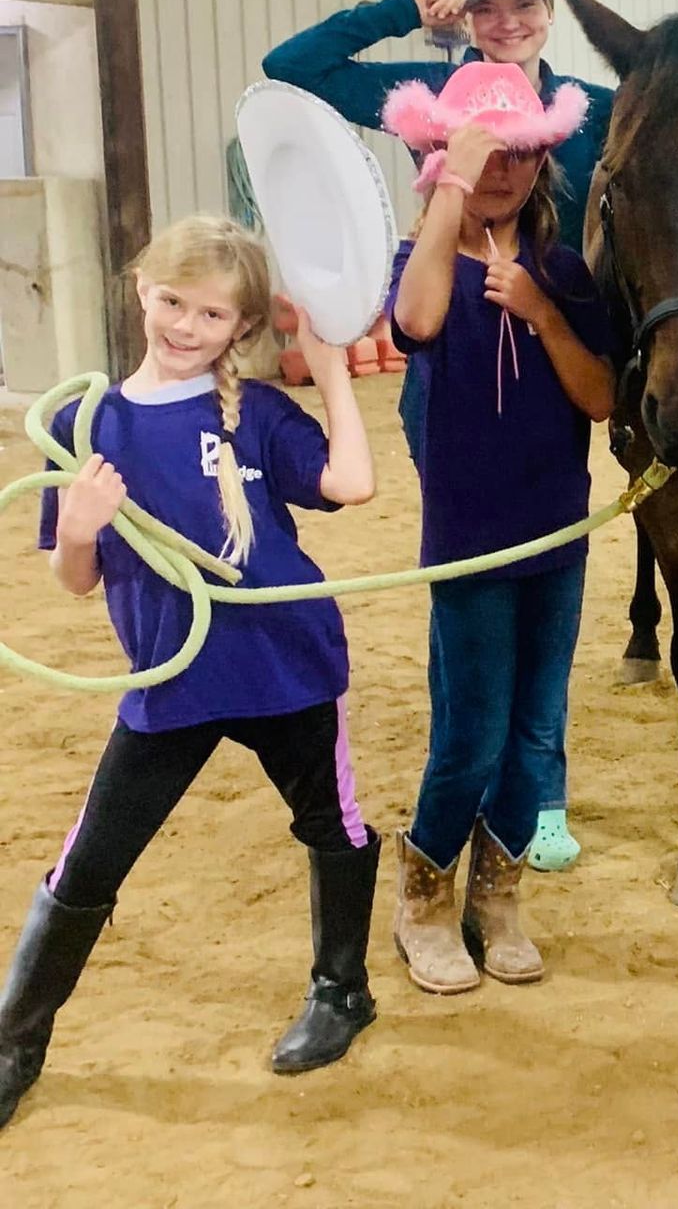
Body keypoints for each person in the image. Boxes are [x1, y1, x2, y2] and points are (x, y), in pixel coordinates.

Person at [0, 215, 380, 1131]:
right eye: (173, 301)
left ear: (240, 329)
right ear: (142, 290)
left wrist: (327, 366)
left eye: (213, 315)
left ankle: (342, 990)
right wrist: (84, 524)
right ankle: (15, 1042)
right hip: (171, 683)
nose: (185, 325)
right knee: (89, 860)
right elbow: (76, 579)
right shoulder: (84, 422)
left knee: (333, 822)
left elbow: (350, 484)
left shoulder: (251, 414)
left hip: (286, 660)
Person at [264, 0, 613, 871]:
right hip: (448, 347)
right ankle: (469, 749)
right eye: (486, 8)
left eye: (524, 7)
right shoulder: (434, 91)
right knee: (472, 569)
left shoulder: (595, 109)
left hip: (558, 330)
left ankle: (538, 789)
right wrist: (400, 14)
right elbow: (291, 69)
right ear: (466, 13)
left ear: (549, 16)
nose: (506, 23)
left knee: (548, 560)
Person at [382, 62, 614, 995]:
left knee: (533, 729)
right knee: (469, 733)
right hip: (471, 539)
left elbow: (599, 399)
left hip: (554, 536)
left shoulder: (563, 271)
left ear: (544, 159)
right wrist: (449, 189)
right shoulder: (427, 260)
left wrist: (541, 310)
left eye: (520, 151)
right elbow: (417, 320)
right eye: (484, 151)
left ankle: (499, 897)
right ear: (445, 154)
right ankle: (423, 900)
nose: (503, 169)